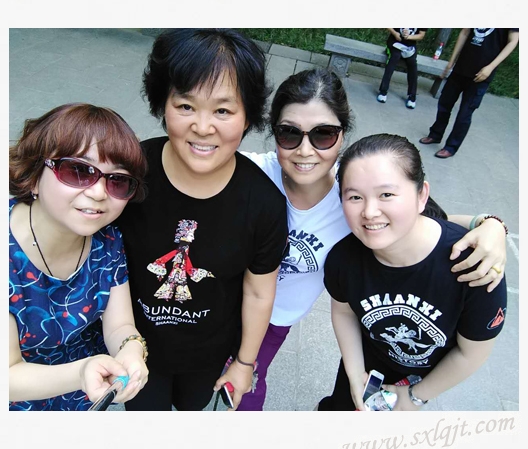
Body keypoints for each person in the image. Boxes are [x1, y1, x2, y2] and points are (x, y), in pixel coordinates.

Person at [239, 68, 508, 411]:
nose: (305, 150)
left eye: (323, 134)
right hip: (222, 300)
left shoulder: (354, 195)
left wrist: (491, 225)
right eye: (289, 133)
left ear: (342, 134)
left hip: (276, 318)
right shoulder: (253, 174)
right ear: (273, 132)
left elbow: (419, 217)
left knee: (247, 386)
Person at [116, 28, 288, 411]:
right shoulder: (129, 174)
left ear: (248, 116)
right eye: (186, 106)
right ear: (162, 104)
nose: (203, 127)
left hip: (208, 354)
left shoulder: (264, 205)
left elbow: (259, 292)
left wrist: (245, 363)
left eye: (223, 110)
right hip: (135, 348)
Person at [318, 133, 507, 411]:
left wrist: (415, 396)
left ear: (422, 195)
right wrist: (354, 374)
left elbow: (471, 353)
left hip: (426, 377)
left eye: (386, 194)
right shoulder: (343, 258)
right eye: (355, 197)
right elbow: (344, 312)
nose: (369, 211)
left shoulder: (473, 267)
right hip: (368, 361)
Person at [9, 103, 150, 411]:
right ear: (33, 175)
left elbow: (119, 325)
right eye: (77, 171)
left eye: (117, 180)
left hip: (86, 395)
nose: (99, 193)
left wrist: (131, 350)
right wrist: (82, 371)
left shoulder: (107, 239)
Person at [419, 28, 519, 159]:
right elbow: (464, 32)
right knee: (444, 103)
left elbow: (513, 41)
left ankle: (451, 147)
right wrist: (451, 62)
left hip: (481, 75)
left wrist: (491, 67)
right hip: (461, 68)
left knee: (465, 113)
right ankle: (435, 134)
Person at [377, 28, 427, 109]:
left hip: (410, 46)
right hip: (394, 42)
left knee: (412, 63)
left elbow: (421, 35)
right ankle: (383, 91)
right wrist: (394, 33)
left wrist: (409, 37)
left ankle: (412, 96)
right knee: (394, 57)